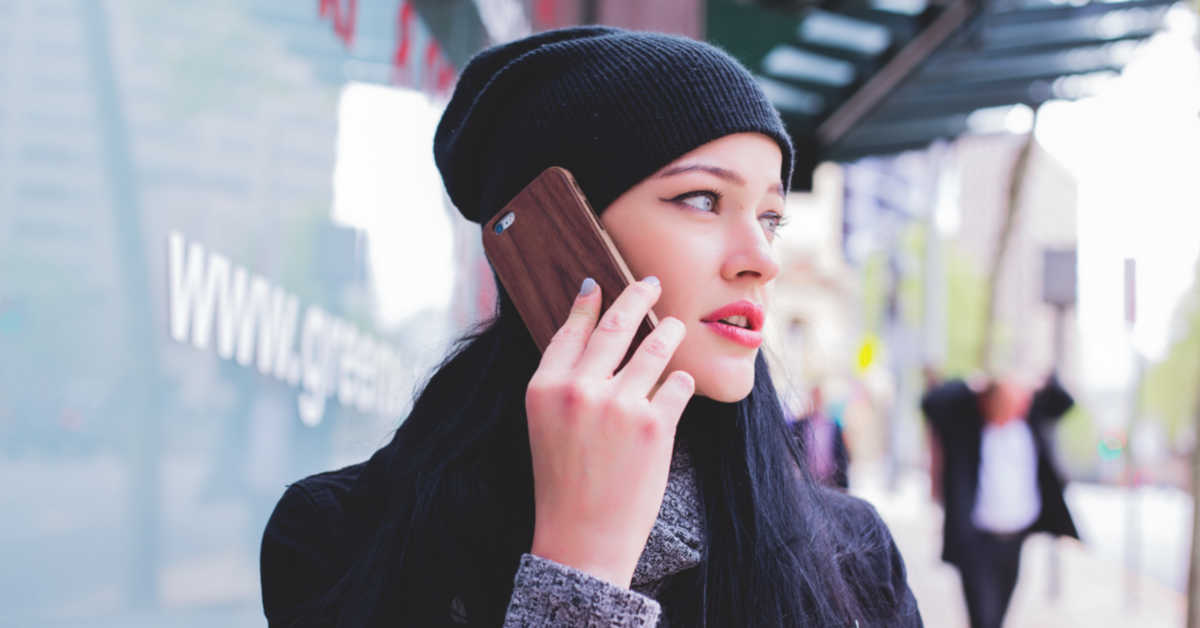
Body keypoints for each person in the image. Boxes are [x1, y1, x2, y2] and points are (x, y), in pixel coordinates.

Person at [261, 26, 922, 627]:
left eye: (770, 218)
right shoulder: (339, 537)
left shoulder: (853, 556)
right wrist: (579, 572)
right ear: (560, 234)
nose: (761, 261)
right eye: (702, 199)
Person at [921, 371, 1079, 628]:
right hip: (977, 540)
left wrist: (1042, 378)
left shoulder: (1030, 420)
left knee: (999, 615)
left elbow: (1065, 401)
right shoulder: (966, 425)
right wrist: (971, 385)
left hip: (1015, 537)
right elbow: (930, 403)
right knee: (982, 617)